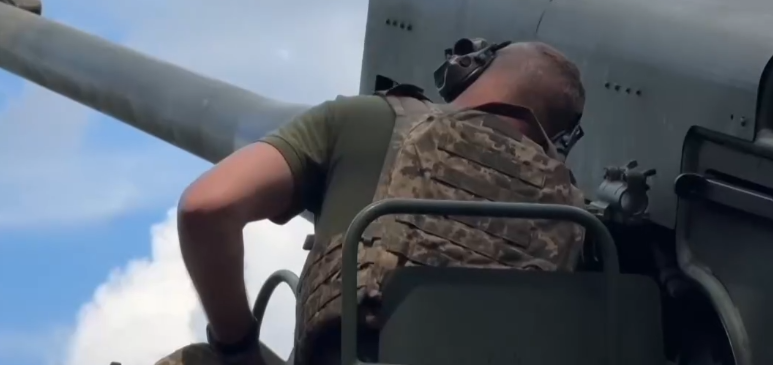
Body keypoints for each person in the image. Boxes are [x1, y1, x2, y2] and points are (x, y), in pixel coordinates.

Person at [155, 40, 588, 365]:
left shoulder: (372, 118)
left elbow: (206, 207)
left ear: (470, 70)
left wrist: (237, 344)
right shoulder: (576, 218)